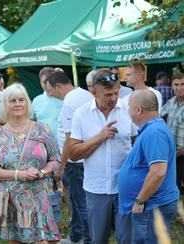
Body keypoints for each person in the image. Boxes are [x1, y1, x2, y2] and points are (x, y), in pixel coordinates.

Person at [0, 83, 61, 243]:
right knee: (15, 240)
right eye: (13, 100)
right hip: (11, 200)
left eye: (21, 99)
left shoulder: (42, 129)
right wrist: (19, 174)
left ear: (27, 102)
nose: (18, 104)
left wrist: (42, 172)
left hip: (38, 197)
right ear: (6, 104)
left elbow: (56, 159)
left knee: (41, 241)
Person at [69, 68, 137, 244]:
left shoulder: (128, 110)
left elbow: (138, 145)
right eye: (107, 94)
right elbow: (74, 154)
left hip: (125, 188)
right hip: (96, 189)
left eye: (116, 92)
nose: (113, 98)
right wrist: (99, 137)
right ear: (93, 92)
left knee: (126, 239)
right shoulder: (81, 114)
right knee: (98, 239)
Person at [119, 89, 179, 243]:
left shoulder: (154, 132)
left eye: (129, 108)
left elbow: (158, 172)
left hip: (152, 205)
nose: (128, 111)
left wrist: (139, 201)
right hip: (151, 205)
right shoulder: (153, 129)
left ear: (138, 110)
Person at [46, 70, 93, 244]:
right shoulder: (85, 94)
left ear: (58, 85)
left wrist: (61, 165)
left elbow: (68, 139)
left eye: (52, 91)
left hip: (75, 160)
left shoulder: (69, 102)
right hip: (86, 156)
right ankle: (77, 235)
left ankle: (87, 239)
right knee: (79, 200)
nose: (53, 96)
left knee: (80, 203)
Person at [160, 71, 184, 194]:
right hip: (174, 153)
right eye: (176, 84)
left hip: (182, 153)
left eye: (182, 84)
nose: (179, 88)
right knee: (175, 184)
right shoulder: (172, 102)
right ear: (172, 86)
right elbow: (159, 116)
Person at [31, 67, 63, 140]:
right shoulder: (36, 101)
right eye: (44, 82)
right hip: (43, 145)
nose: (46, 84)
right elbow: (30, 121)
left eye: (49, 81)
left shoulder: (63, 97)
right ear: (40, 82)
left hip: (64, 145)